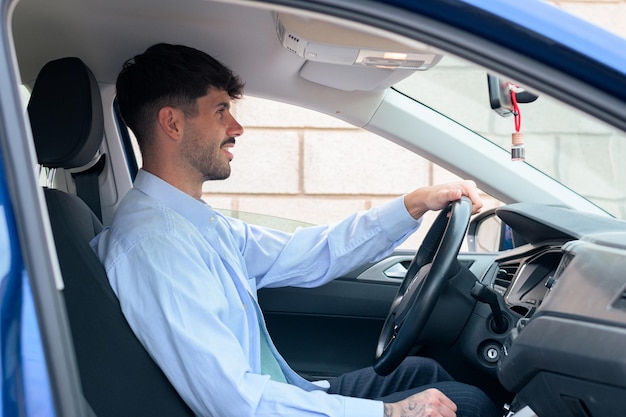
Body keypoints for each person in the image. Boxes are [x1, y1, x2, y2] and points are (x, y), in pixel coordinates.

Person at [91, 43, 500, 417]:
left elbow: (310, 253)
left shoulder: (192, 224)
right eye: (220, 111)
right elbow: (234, 401)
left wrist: (414, 205)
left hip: (283, 394)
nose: (236, 128)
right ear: (173, 124)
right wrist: (392, 414)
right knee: (469, 405)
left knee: (420, 371)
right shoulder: (156, 247)